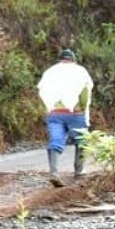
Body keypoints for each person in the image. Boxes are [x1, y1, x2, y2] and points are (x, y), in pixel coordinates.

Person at [36, 48, 93, 185]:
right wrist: (82, 108)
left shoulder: (50, 72)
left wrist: (50, 108)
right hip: (75, 113)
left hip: (55, 113)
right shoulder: (80, 71)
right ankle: (79, 171)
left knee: (55, 140)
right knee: (82, 140)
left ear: (60, 59)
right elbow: (85, 92)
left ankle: (54, 172)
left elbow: (42, 90)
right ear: (73, 59)